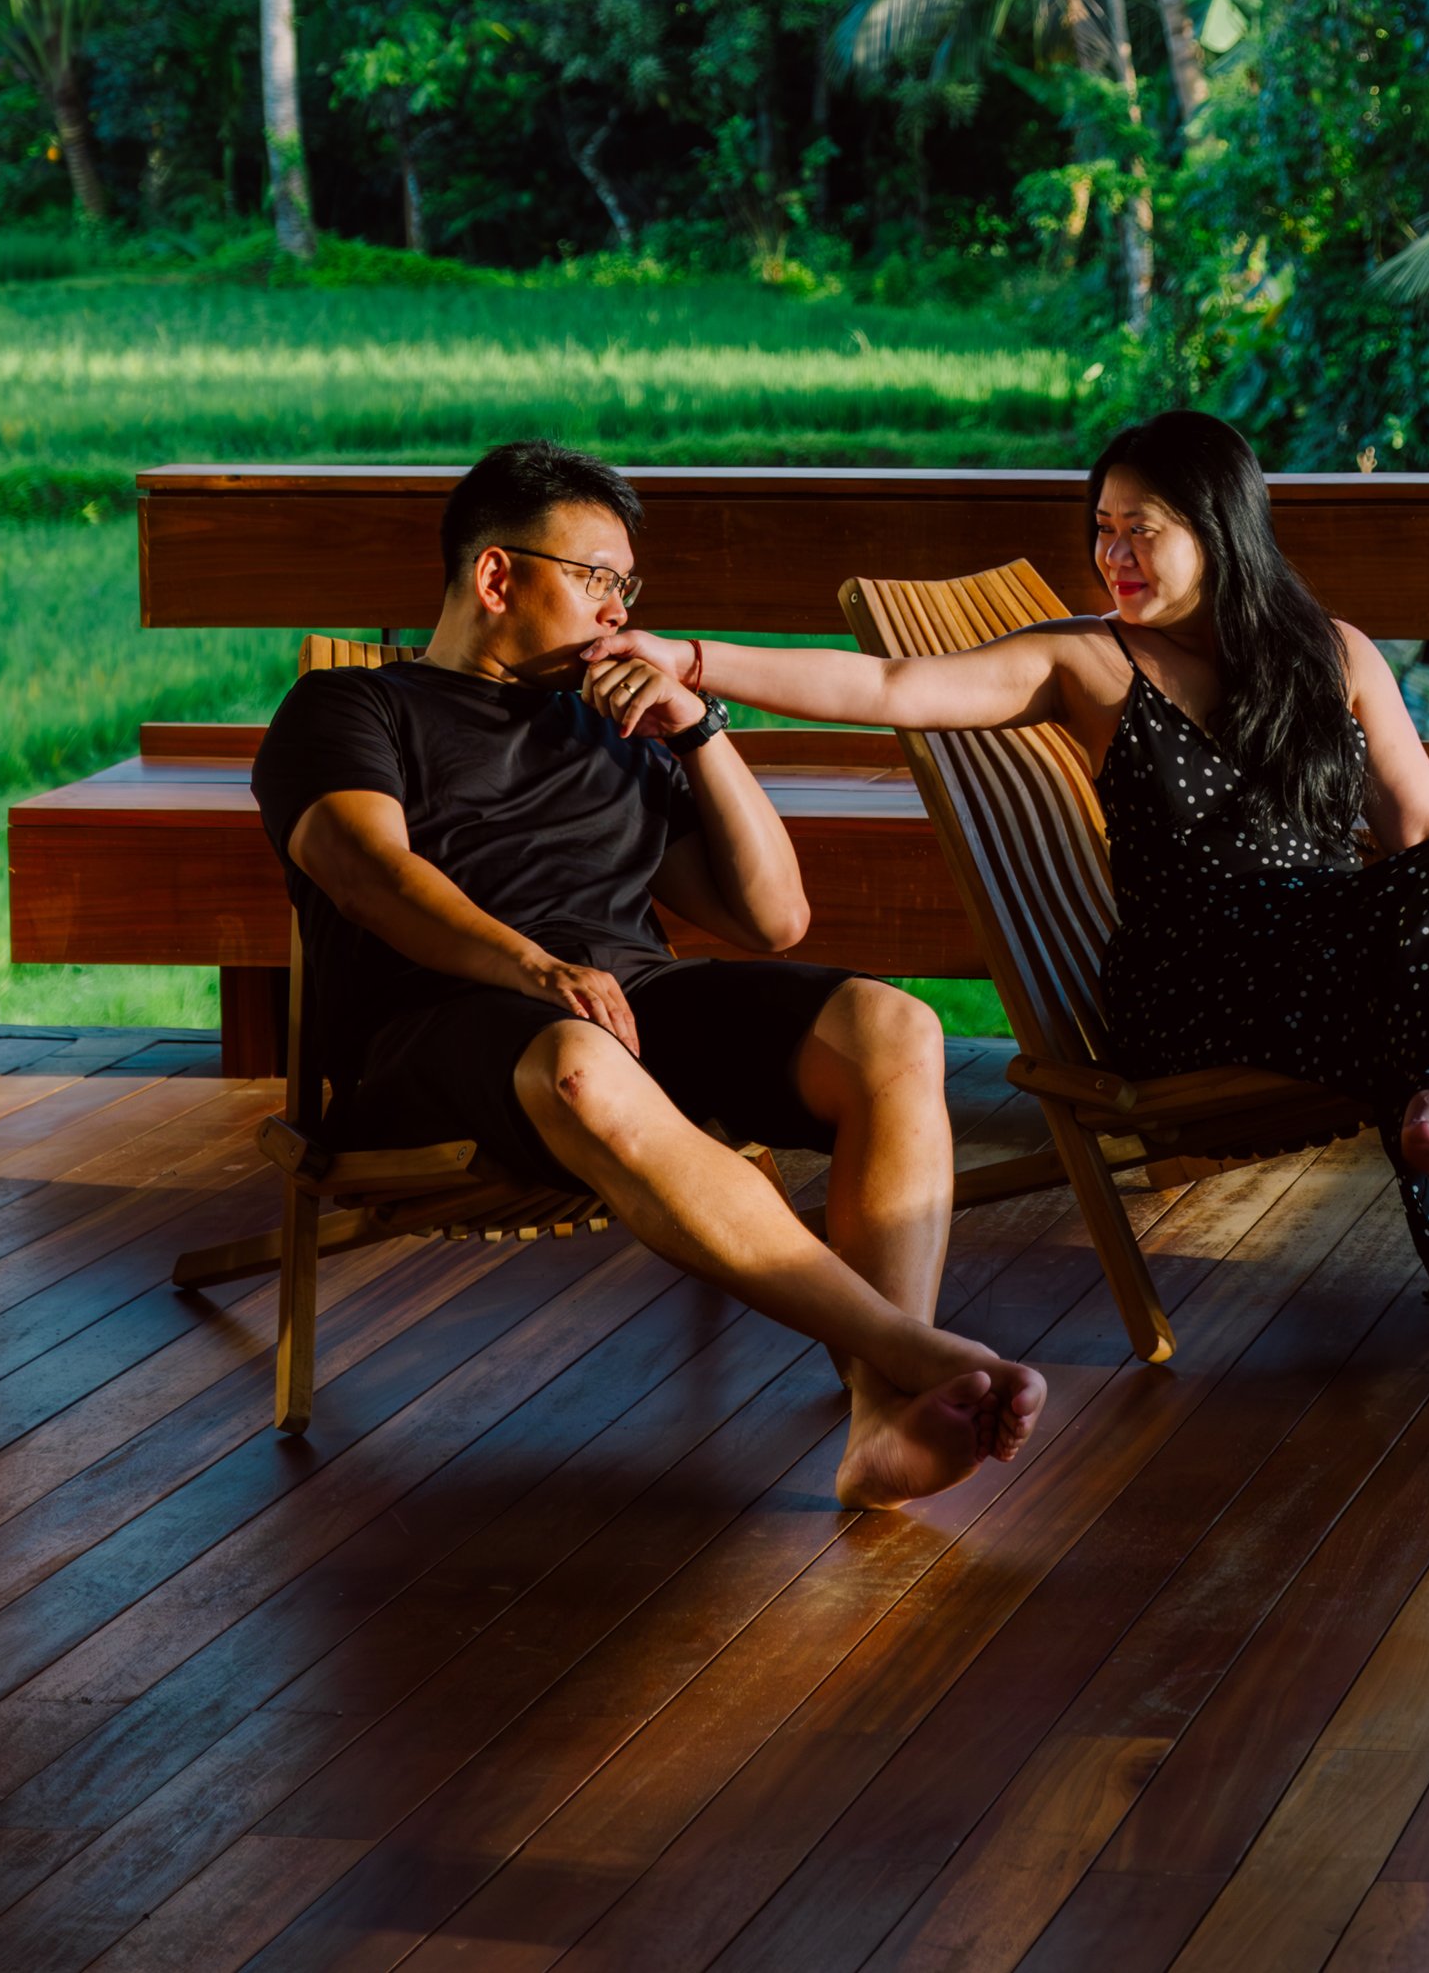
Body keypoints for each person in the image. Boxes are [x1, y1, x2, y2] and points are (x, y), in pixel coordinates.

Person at [594, 408, 1429, 1403]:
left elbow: (1427, 831)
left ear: (1220, 528)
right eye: (1102, 527)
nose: (1114, 555)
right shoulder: (1088, 664)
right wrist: (694, 658)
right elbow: (887, 688)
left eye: (1145, 528)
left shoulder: (1334, 658)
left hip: (1328, 964)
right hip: (1191, 983)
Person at [250, 437, 1045, 1505]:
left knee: (892, 1027)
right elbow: (369, 875)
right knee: (581, 1058)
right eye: (598, 581)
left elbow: (773, 917)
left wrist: (701, 731)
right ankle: (914, 1351)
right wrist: (534, 967)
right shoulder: (356, 711)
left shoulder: (613, 728)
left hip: (626, 1007)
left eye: (628, 588)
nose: (619, 612)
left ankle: (883, 1403)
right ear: (497, 574)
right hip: (440, 1026)